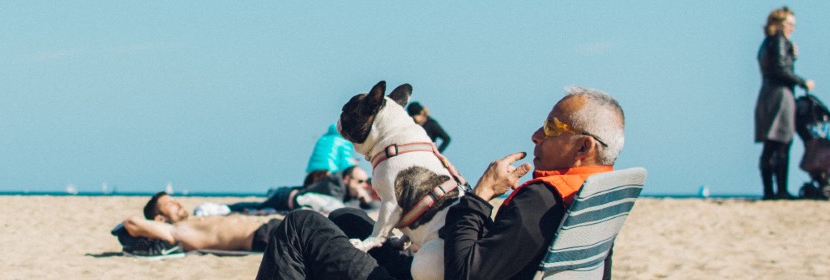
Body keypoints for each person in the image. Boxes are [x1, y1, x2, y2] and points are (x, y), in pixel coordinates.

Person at [257, 87, 626, 279]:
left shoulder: (541, 202)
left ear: (583, 146)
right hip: (451, 265)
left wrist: (480, 196)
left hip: (449, 271)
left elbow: (467, 273)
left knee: (300, 226)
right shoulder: (592, 196)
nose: (535, 136)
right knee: (347, 219)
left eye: (550, 128)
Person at [755, 6, 814, 200]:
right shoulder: (779, 41)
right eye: (789, 24)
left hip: (767, 93)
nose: (792, 28)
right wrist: (803, 82)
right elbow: (781, 69)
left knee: (771, 145)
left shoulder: (766, 43)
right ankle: (779, 190)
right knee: (780, 144)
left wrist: (792, 54)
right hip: (780, 95)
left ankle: (770, 190)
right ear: (779, 24)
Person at [124, 192, 289, 252]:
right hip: (264, 236)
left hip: (272, 227)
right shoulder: (177, 231)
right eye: (170, 203)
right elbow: (131, 223)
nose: (178, 203)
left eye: (175, 200)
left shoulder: (193, 221)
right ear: (159, 219)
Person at [229, 166, 375, 214]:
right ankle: (228, 208)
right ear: (347, 180)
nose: (363, 185)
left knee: (265, 208)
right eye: (359, 181)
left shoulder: (349, 193)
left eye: (365, 182)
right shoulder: (334, 187)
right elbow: (338, 208)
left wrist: (366, 200)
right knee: (259, 206)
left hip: (294, 198)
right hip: (285, 196)